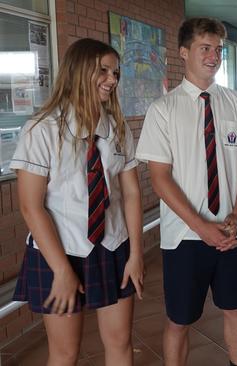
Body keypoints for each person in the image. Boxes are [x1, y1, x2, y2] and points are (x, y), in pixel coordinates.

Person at [136, 18, 237, 366]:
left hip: (234, 231)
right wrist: (201, 226)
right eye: (205, 48)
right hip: (184, 237)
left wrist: (235, 214)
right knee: (179, 319)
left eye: (218, 50)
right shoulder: (163, 110)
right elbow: (160, 178)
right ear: (183, 53)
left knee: (234, 308)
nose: (213, 56)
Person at [10, 38, 144, 365]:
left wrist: (136, 254)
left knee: (120, 343)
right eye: (103, 71)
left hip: (112, 247)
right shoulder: (41, 129)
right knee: (66, 352)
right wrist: (62, 270)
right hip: (59, 251)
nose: (112, 79)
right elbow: (31, 206)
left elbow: (130, 194)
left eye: (115, 73)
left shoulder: (117, 129)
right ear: (78, 71)